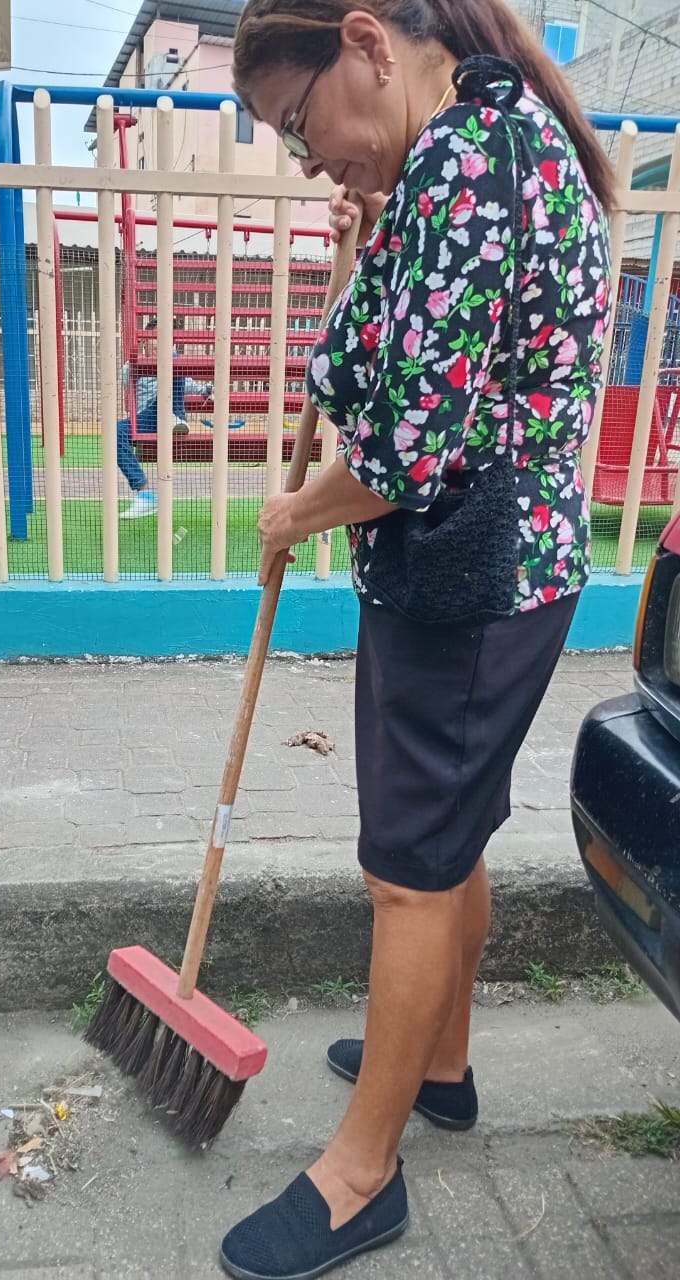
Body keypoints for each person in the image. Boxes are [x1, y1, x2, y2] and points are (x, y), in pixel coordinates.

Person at [217, 3, 614, 1277]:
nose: (306, 158)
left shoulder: (473, 164)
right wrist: (372, 235)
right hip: (478, 568)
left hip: (470, 577)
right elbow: (365, 375)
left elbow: (406, 448)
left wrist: (299, 510)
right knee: (450, 838)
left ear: (366, 43)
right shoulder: (465, 150)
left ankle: (361, 1173)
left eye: (298, 123)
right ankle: (438, 1065)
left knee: (408, 871)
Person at [117, 317, 212, 519]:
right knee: (116, 431)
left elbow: (192, 386)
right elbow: (126, 381)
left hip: (172, 412)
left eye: (166, 339)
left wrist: (207, 389)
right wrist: (148, 364)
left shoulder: (175, 361)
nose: (160, 343)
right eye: (155, 338)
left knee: (176, 362)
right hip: (147, 419)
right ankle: (145, 495)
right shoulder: (131, 366)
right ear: (144, 341)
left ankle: (173, 418)